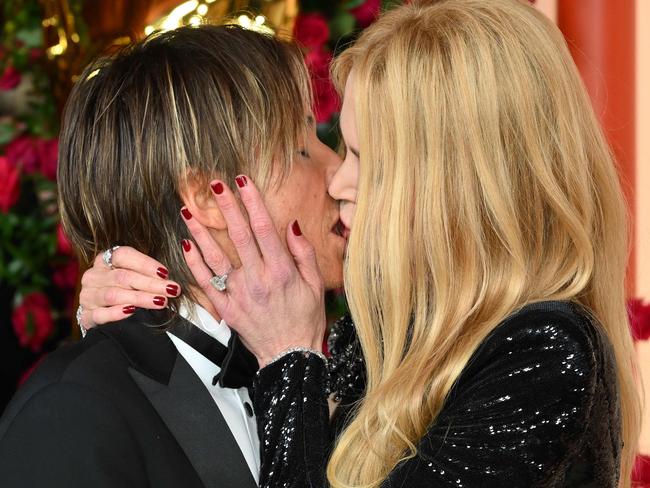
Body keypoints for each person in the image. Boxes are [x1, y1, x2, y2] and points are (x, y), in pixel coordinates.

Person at [79, 0, 641, 486]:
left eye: (365, 158)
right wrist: (158, 307)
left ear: (455, 183)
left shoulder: (542, 349)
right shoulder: (389, 330)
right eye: (324, 147)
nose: (337, 180)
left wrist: (290, 356)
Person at [0, 24, 345, 487]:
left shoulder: (334, 359)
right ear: (207, 196)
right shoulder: (73, 411)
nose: (338, 171)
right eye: (303, 147)